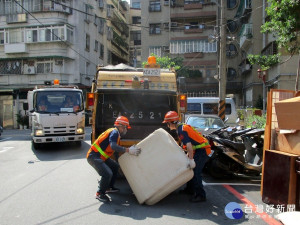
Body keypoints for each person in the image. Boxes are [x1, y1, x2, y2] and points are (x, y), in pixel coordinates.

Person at [86, 116, 142, 202]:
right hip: (94, 157)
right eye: (125, 127)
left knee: (115, 166)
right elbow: (113, 146)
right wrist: (128, 150)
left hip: (100, 157)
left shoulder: (115, 133)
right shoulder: (114, 132)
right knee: (107, 173)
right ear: (120, 126)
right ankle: (99, 193)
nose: (126, 129)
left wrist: (124, 153)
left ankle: (108, 187)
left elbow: (114, 148)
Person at [162, 111, 211, 203]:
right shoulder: (181, 127)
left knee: (196, 172)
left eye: (167, 124)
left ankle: (200, 195)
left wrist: (191, 160)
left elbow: (189, 145)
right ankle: (190, 189)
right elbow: (190, 145)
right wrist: (188, 156)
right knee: (190, 170)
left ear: (171, 122)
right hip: (199, 150)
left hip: (202, 151)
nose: (167, 126)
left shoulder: (182, 130)